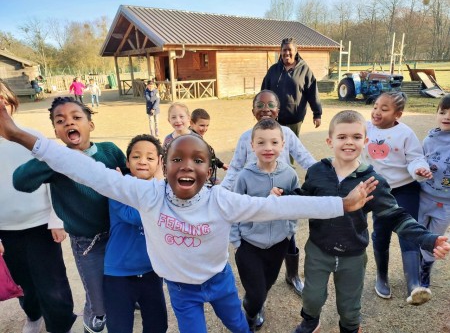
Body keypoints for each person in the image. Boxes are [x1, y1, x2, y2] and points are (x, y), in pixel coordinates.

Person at [0, 104, 379, 333]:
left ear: (209, 169)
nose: (187, 166)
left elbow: (282, 207)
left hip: (220, 281)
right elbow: (85, 169)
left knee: (238, 325)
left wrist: (339, 205)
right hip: (181, 292)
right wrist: (20, 135)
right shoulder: (145, 193)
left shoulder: (222, 200)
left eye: (197, 160)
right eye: (177, 159)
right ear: (164, 166)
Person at [284, 110, 450, 333]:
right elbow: (305, 199)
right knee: (312, 296)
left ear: (366, 141)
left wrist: (428, 239)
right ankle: (311, 321)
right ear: (329, 140)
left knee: (349, 305)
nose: (349, 142)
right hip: (318, 250)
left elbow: (396, 216)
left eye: (356, 137)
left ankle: (351, 327)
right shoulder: (317, 172)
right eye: (342, 137)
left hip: (353, 254)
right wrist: (284, 196)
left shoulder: (372, 181)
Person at [12, 97, 126, 333]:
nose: (68, 123)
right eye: (60, 121)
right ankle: (93, 321)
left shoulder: (110, 151)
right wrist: (50, 158)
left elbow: (132, 181)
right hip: (87, 244)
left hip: (120, 237)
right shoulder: (56, 162)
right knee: (98, 302)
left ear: (90, 124)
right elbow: (21, 182)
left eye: (76, 117)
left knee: (122, 287)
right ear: (55, 131)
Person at [222, 90, 316, 297]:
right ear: (253, 110)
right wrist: (221, 192)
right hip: (254, 198)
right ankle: (257, 292)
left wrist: (324, 174)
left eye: (271, 105)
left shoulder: (287, 134)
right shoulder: (246, 137)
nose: (266, 109)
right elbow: (236, 168)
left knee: (288, 239)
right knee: (256, 246)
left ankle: (292, 275)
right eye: (260, 105)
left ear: (278, 110)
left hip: (281, 200)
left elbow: (305, 158)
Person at [0, 80, 76, 333]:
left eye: (2, 98)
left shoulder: (31, 136)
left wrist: (57, 219)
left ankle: (61, 325)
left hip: (41, 225)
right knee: (23, 282)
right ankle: (33, 315)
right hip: (5, 230)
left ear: (11, 102)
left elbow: (55, 176)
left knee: (52, 283)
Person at [361, 92, 433, 305]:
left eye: (384, 109)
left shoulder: (405, 133)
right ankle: (381, 276)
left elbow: (415, 158)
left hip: (405, 189)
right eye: (375, 106)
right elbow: (353, 143)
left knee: (408, 232)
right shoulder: (365, 128)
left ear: (397, 114)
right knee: (381, 234)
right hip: (380, 191)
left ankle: (414, 284)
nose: (377, 112)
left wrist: (419, 169)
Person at [230, 119, 301, 331]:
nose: (268, 148)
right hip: (249, 243)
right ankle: (251, 311)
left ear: (282, 144)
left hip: (279, 243)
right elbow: (234, 208)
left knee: (267, 284)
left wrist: (289, 231)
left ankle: (257, 303)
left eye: (274, 142)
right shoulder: (244, 176)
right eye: (261, 142)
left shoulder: (289, 174)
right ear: (252, 145)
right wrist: (236, 240)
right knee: (256, 292)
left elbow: (296, 203)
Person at [104, 134, 167, 333]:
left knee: (158, 326)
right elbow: (135, 216)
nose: (142, 161)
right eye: (136, 156)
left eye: (150, 158)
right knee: (119, 328)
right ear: (127, 161)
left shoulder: (165, 189)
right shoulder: (118, 188)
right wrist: (158, 184)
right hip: (119, 272)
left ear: (159, 162)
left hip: (151, 271)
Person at [261, 37, 322, 153]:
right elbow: (264, 91)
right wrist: (262, 111)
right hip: (274, 118)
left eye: (289, 50)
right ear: (280, 52)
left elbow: (312, 93)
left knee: (291, 148)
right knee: (274, 146)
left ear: (296, 51)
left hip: (295, 118)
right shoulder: (273, 70)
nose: (286, 53)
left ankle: (290, 169)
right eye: (284, 50)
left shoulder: (304, 70)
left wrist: (317, 114)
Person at [418, 94, 450, 289]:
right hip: (423, 196)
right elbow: (418, 160)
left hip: (446, 203)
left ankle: (425, 269)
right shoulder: (429, 140)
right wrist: (420, 171)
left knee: (435, 237)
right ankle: (414, 265)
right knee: (419, 233)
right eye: (442, 112)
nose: (446, 116)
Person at [190, 108, 228, 183]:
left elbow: (209, 154)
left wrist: (221, 164)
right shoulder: (193, 139)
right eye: (202, 125)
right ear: (191, 123)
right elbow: (208, 155)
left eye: (207, 125)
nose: (205, 128)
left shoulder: (196, 136)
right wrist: (221, 164)